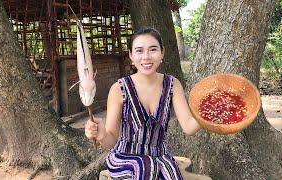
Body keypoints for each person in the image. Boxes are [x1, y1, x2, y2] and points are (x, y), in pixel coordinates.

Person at [85, 27, 201, 180]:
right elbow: (111, 139)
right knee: (146, 166)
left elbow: (188, 126)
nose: (146, 57)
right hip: (125, 157)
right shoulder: (119, 88)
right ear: (131, 56)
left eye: (153, 49)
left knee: (171, 175)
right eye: (139, 51)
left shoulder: (173, 84)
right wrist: (101, 135)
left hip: (160, 156)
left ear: (162, 53)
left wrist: (207, 116)